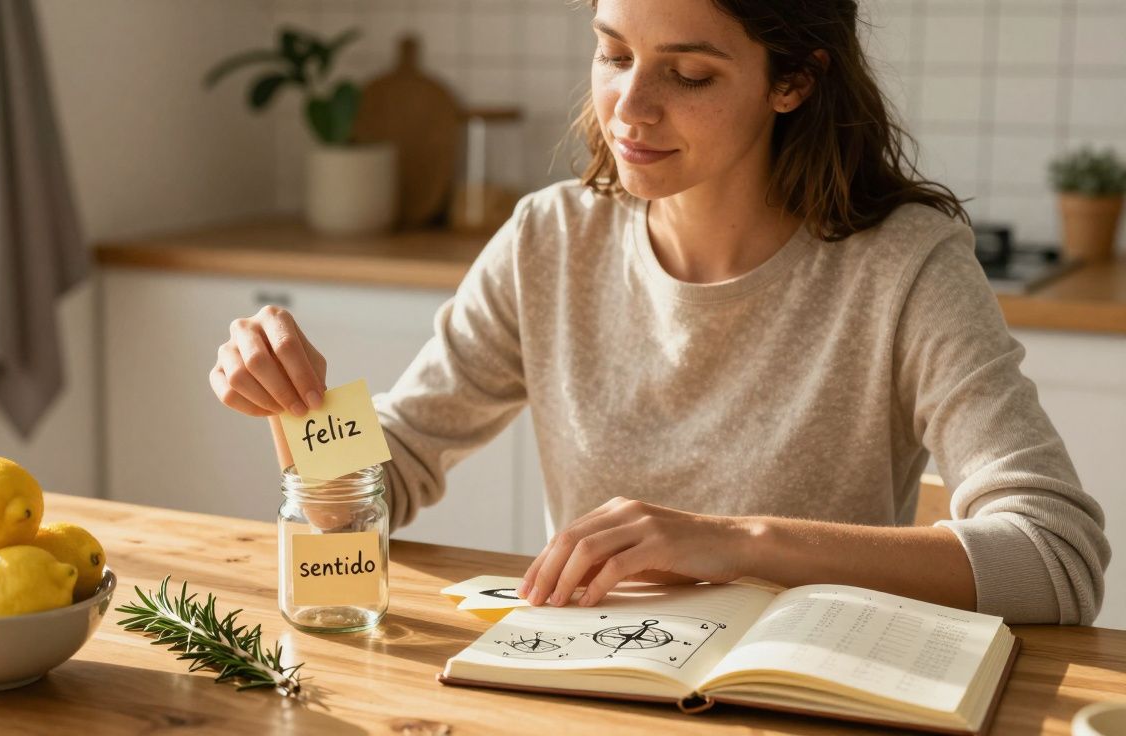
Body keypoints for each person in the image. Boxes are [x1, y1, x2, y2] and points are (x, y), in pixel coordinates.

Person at [210, 0, 1109, 625]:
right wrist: (300, 411)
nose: (629, 109)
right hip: (597, 691)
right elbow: (384, 479)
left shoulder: (906, 265)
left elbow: (1055, 555)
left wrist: (736, 543)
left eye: (687, 74)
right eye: (614, 55)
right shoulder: (550, 239)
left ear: (793, 81)